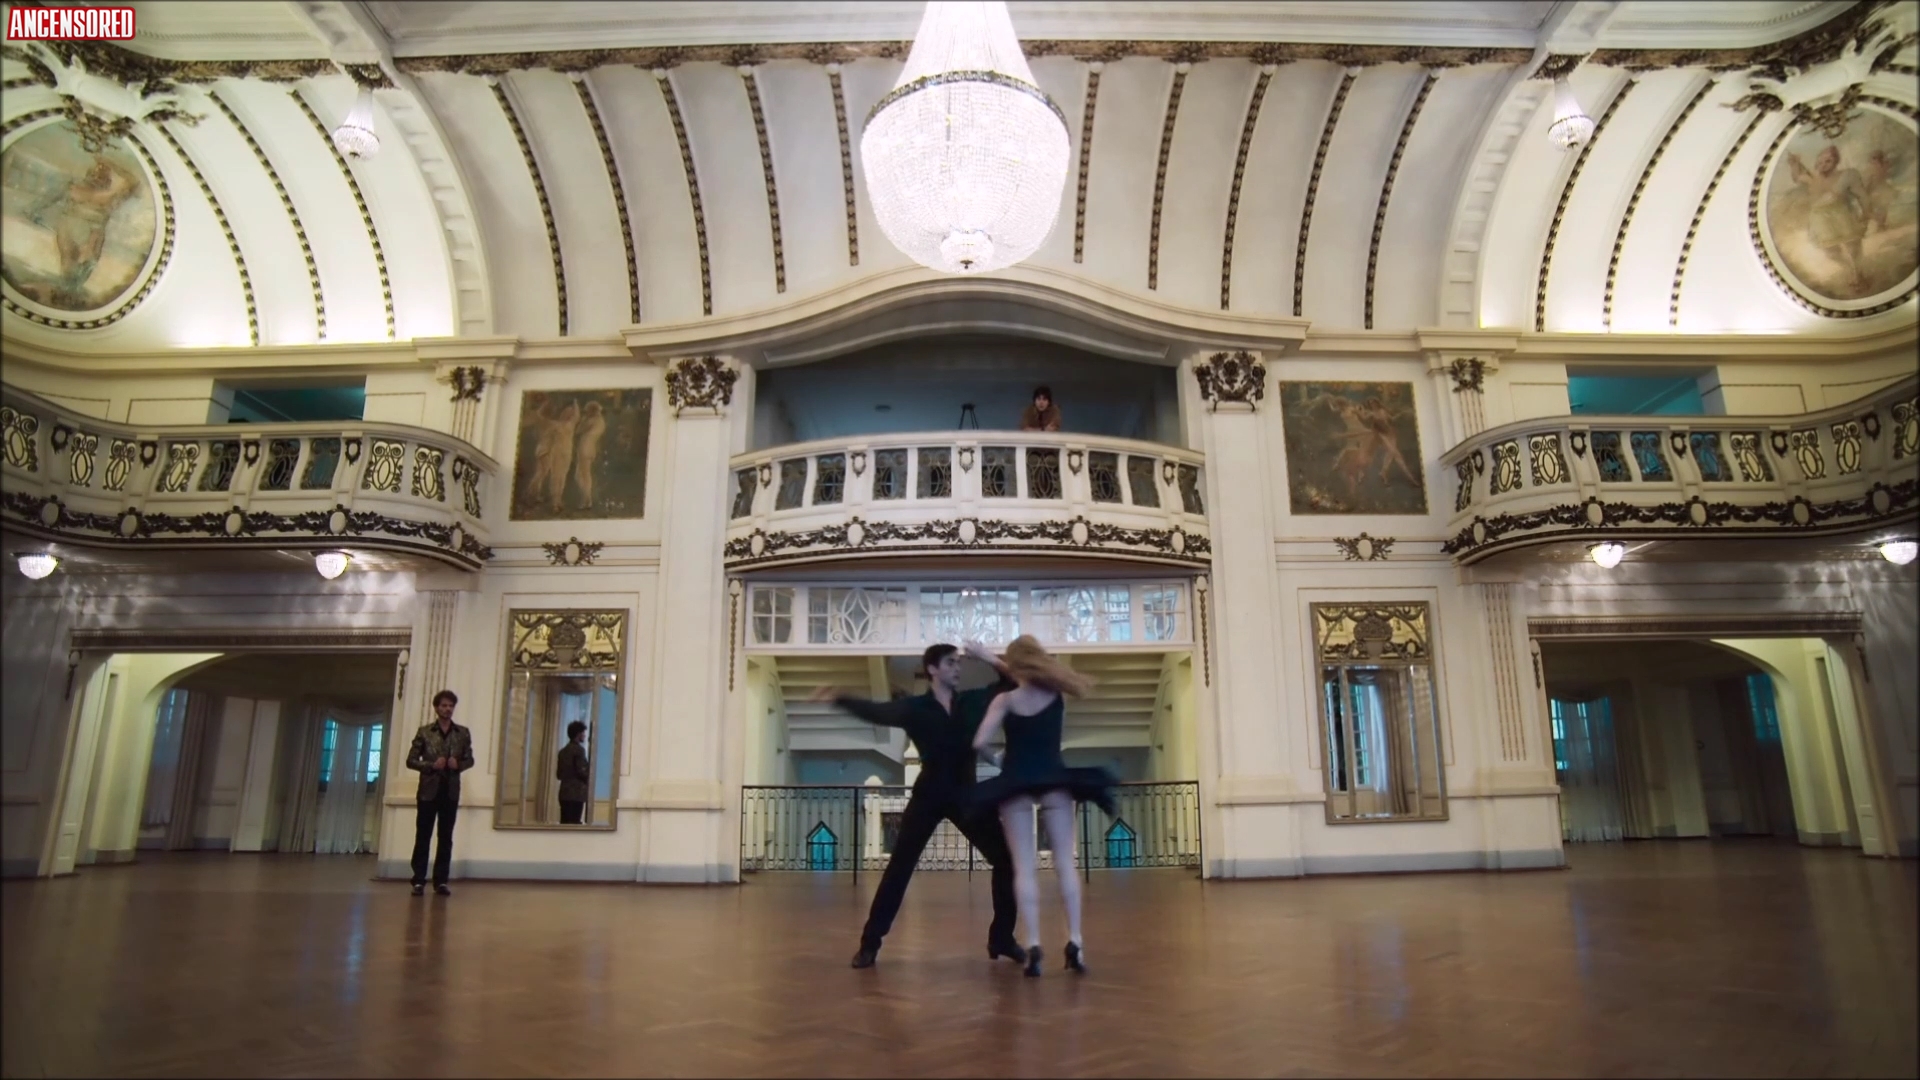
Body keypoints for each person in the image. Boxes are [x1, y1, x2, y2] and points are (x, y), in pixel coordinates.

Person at [811, 641, 1026, 970]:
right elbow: (877, 712)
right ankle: (870, 943)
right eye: (950, 662)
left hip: (966, 796)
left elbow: (1012, 681)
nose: (957, 668)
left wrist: (988, 657)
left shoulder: (971, 702)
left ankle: (1001, 938)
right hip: (929, 796)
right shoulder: (915, 708)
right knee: (899, 868)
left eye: (958, 662)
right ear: (932, 669)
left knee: (1006, 861)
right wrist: (839, 698)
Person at [970, 636, 1115, 978]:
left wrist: (997, 758)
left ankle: (1034, 944)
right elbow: (1021, 674)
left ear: (1014, 665)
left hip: (1015, 783)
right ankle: (1075, 941)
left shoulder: (1005, 700)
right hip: (1054, 780)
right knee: (1065, 863)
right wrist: (993, 659)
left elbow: (979, 742)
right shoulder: (1056, 694)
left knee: (1024, 868)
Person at [406, 690, 474, 896]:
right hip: (428, 792)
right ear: (436, 708)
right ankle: (418, 880)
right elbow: (411, 760)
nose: (447, 709)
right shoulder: (425, 732)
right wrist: (431, 765)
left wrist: (458, 765)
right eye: (444, 705)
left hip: (450, 792)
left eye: (451, 706)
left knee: (446, 838)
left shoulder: (462, 733)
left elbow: (470, 759)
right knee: (423, 836)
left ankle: (441, 881)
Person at [557, 720, 590, 825]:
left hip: (564, 792)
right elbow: (582, 771)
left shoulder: (562, 752)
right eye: (583, 733)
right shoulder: (579, 750)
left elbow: (559, 774)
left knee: (564, 823)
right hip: (576, 793)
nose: (584, 735)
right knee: (575, 824)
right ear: (578, 734)